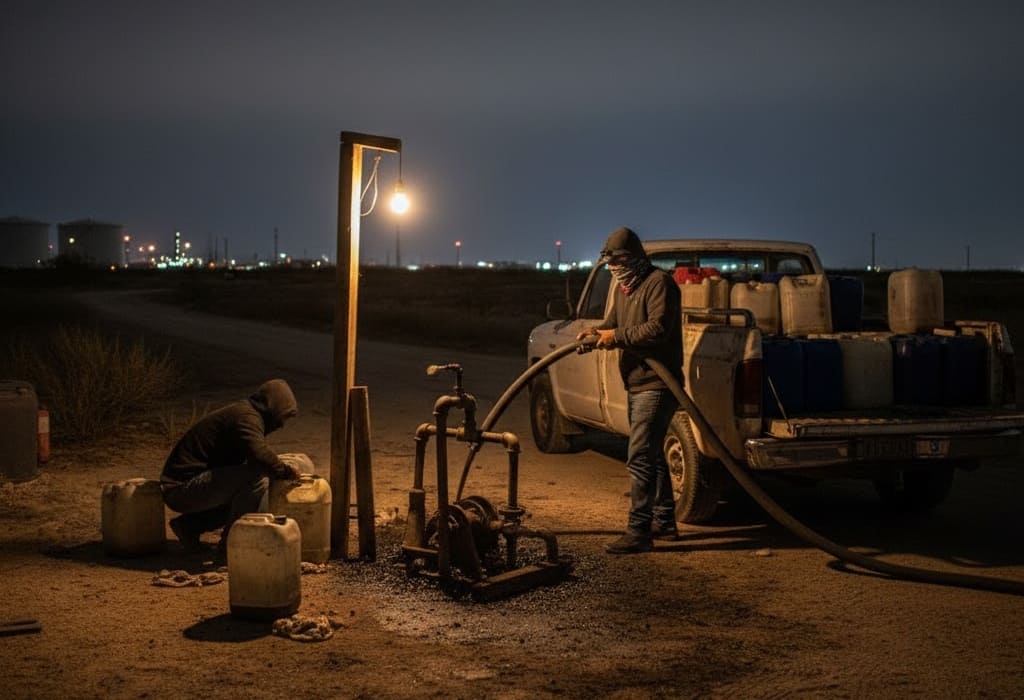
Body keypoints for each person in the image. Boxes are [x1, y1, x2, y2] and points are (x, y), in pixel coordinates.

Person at [577, 227, 683, 554]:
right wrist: (597, 333)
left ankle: (639, 531)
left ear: (635, 258)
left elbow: (657, 328)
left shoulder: (659, 283)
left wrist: (615, 337)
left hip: (657, 383)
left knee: (639, 456)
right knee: (651, 456)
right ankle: (664, 522)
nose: (614, 267)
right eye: (610, 262)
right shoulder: (624, 288)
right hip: (637, 382)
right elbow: (613, 324)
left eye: (619, 260)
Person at [160, 378, 302, 552]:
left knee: (252, 495)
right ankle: (231, 547)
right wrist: (286, 471)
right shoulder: (246, 417)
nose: (281, 425)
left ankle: (189, 527)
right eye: (283, 416)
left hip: (187, 486)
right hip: (181, 489)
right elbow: (260, 454)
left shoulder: (246, 414)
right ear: (273, 407)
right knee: (257, 479)